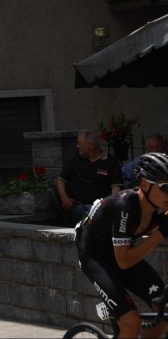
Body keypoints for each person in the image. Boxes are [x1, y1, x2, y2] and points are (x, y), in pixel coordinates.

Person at [76, 152, 168, 339]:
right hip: (95, 257)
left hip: (122, 253)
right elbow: (124, 262)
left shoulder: (160, 206)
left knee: (164, 312)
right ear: (144, 184)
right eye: (165, 187)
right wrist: (159, 234)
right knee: (130, 322)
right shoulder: (124, 206)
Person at [57, 130, 124, 226]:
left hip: (101, 208)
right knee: (83, 211)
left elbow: (116, 188)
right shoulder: (76, 159)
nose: (77, 146)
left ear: (90, 146)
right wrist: (64, 198)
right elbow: (60, 180)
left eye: (79, 143)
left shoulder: (111, 162)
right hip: (79, 206)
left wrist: (109, 207)